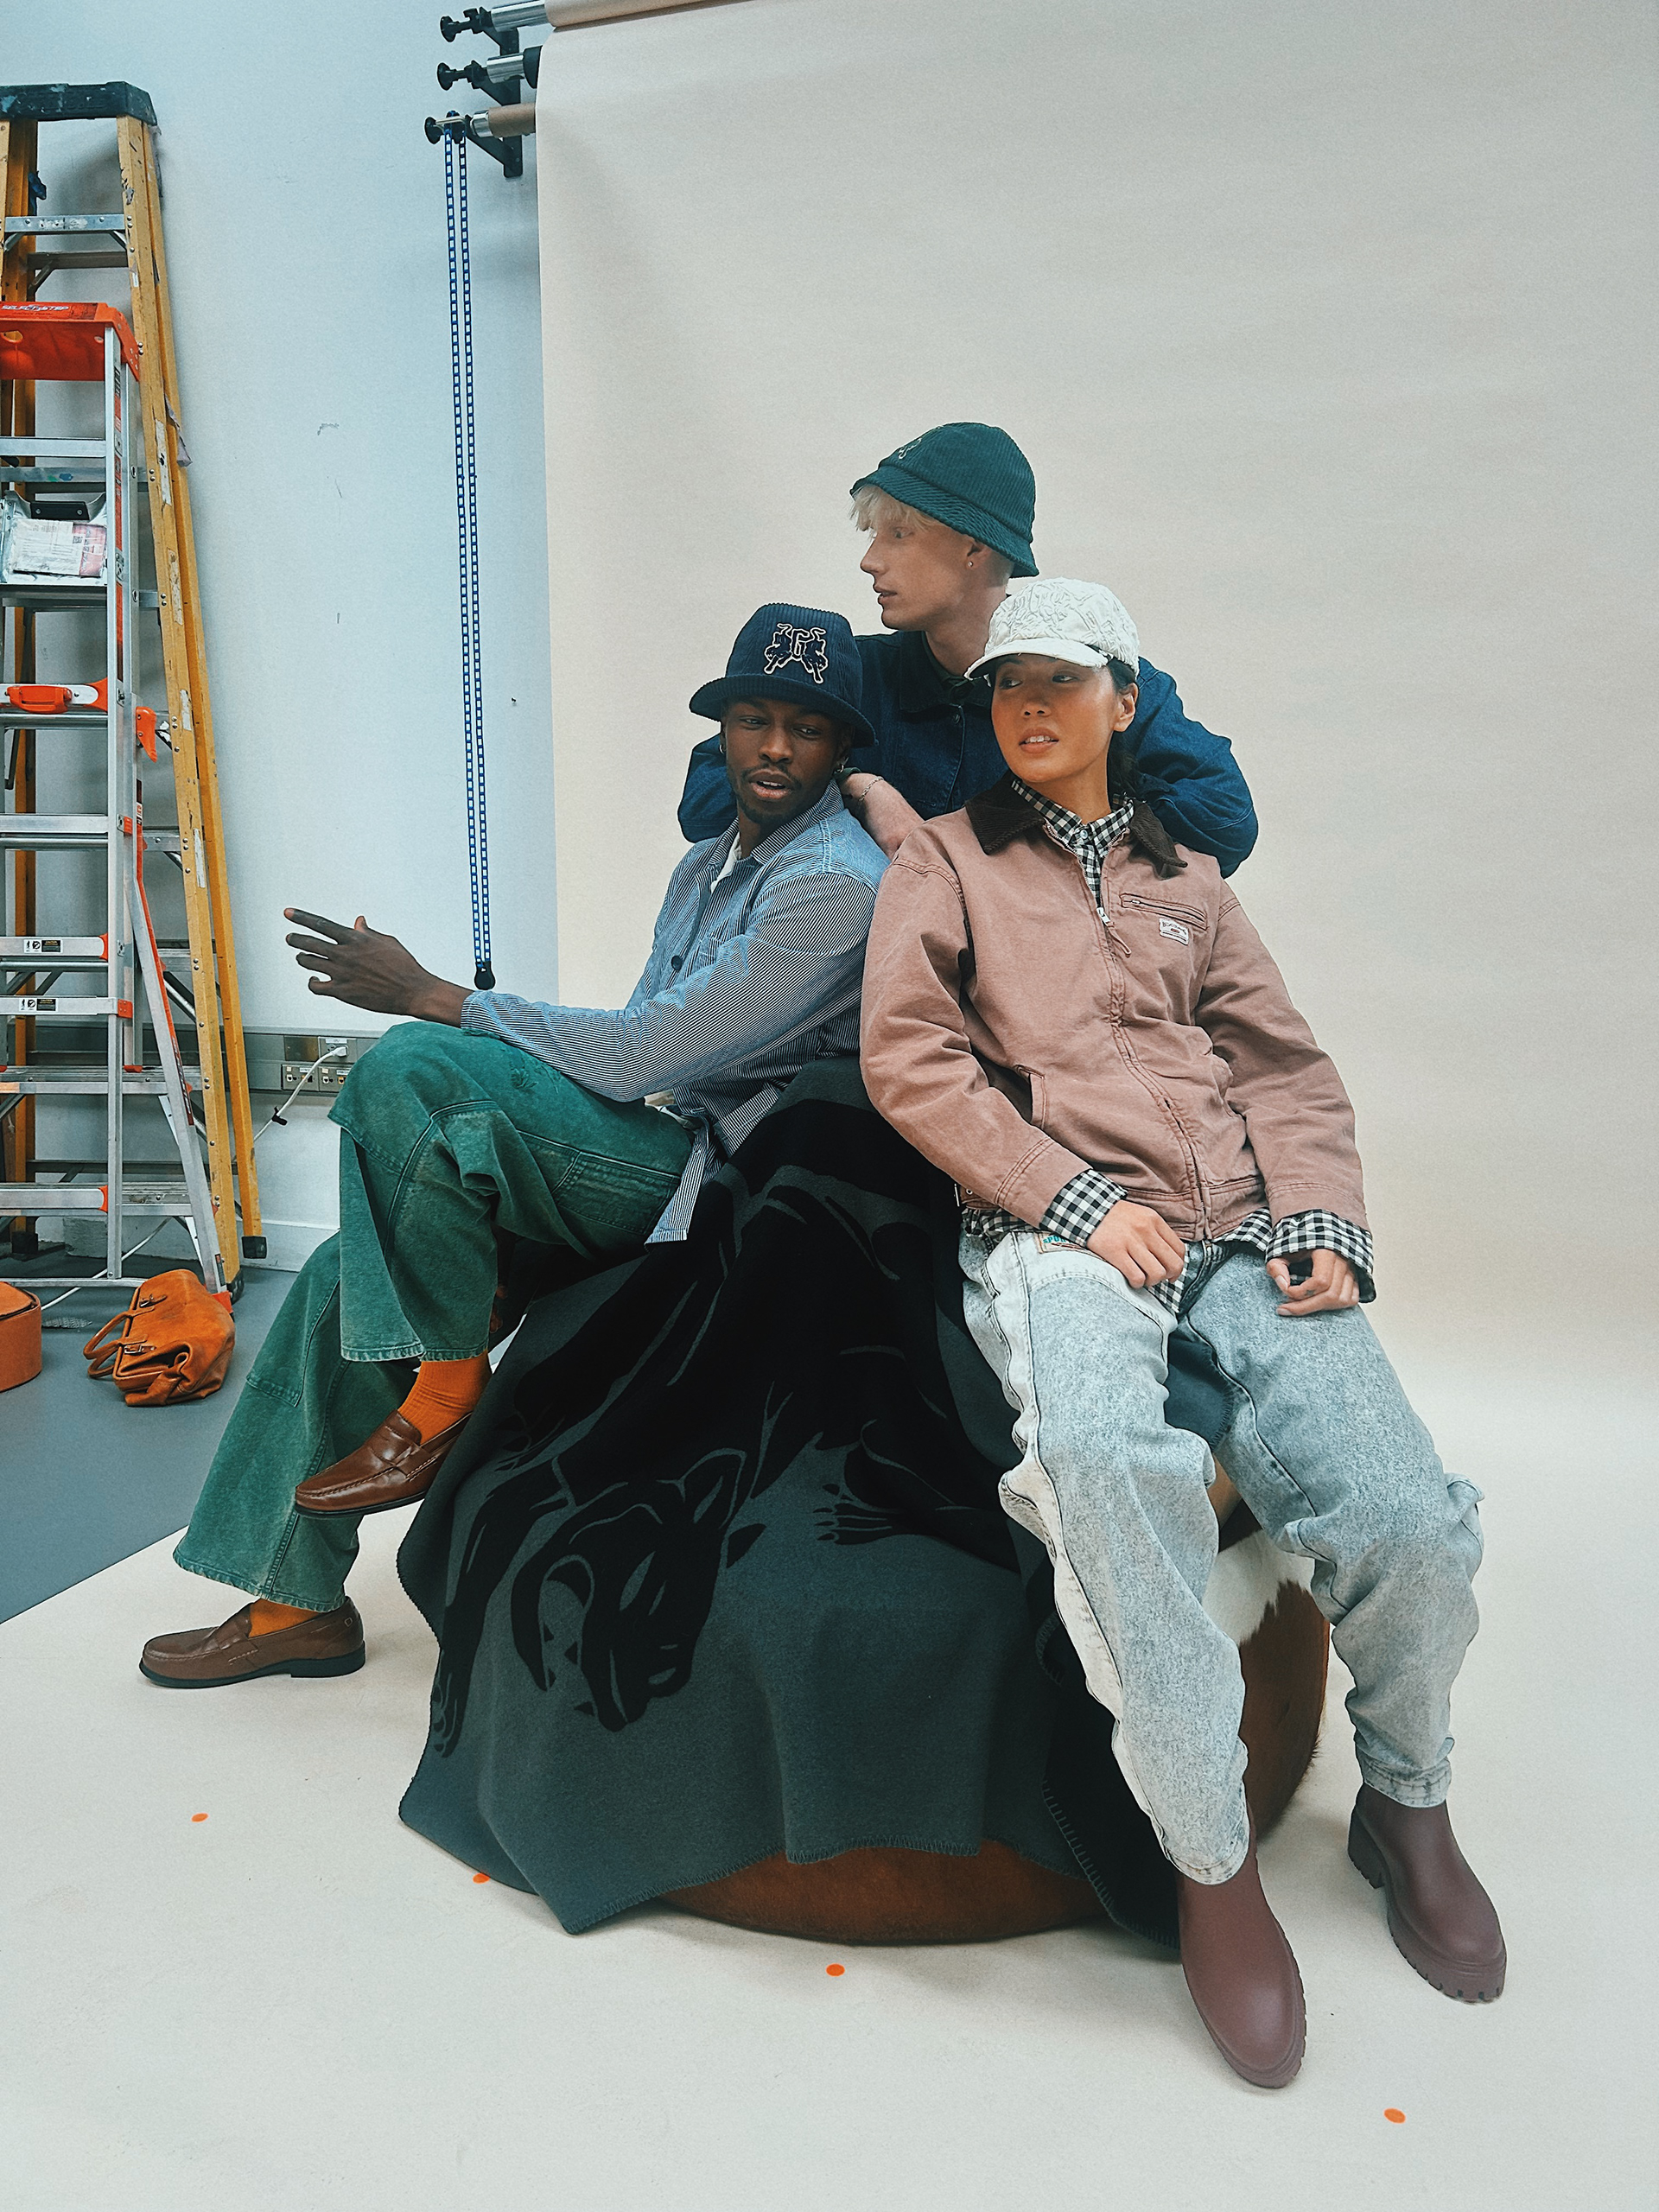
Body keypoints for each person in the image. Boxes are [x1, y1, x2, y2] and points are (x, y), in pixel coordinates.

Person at [858, 577, 1503, 2088]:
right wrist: (1072, 1200)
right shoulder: (945, 861)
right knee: (1101, 1465)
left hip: (1239, 1233)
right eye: (1007, 685)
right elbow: (911, 1058)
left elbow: (1282, 1066)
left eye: (1061, 682)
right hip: (1059, 1237)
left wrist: (1320, 1216)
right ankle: (1211, 1861)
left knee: (1405, 1513)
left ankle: (1407, 1804)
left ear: (1123, 701)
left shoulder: (1191, 880)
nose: (1029, 707)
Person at [140, 604, 887, 1691]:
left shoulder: (835, 885)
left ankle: (444, 1397)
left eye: (806, 730)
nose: (776, 748)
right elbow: (638, 1050)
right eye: (754, 721)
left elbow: (641, 1056)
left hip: (718, 1186)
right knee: (339, 1278)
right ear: (722, 732)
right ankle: (294, 1604)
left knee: (412, 1063)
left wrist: (437, 994)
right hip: (650, 1142)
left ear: (841, 748)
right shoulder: (706, 866)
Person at [678, 421, 1256, 873]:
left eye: (898, 534)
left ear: (974, 548)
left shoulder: (1092, 681)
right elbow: (705, 802)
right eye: (875, 536)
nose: (870, 560)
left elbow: (1225, 821)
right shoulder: (854, 672)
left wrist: (1031, 850)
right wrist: (860, 789)